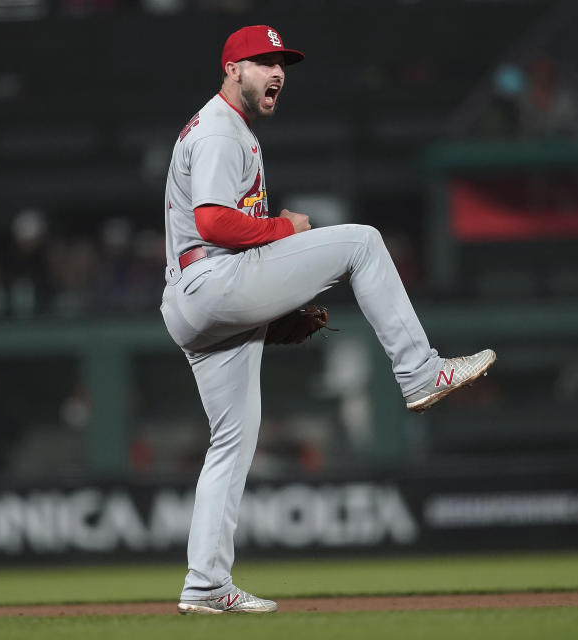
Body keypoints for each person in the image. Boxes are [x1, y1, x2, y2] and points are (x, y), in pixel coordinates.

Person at [160, 25, 496, 615]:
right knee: (363, 242)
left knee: (232, 443)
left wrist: (272, 295)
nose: (277, 71)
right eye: (262, 61)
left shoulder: (222, 128)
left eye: (281, 63)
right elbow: (213, 222)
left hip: (194, 301)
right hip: (210, 280)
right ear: (232, 69)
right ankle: (419, 374)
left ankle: (206, 582)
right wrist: (283, 230)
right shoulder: (219, 129)